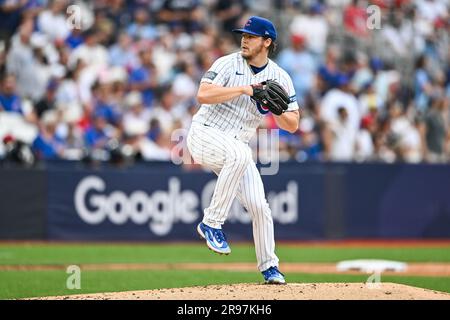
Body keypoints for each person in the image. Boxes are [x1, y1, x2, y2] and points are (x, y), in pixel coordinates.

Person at [186, 16, 299, 284]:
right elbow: (203, 95)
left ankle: (270, 267)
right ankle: (211, 223)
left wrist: (275, 108)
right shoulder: (228, 63)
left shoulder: (280, 77)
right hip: (204, 133)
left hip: (235, 146)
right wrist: (245, 89)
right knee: (240, 154)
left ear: (267, 42)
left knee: (260, 206)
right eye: (243, 35)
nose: (244, 40)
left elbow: (293, 124)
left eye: (251, 36)